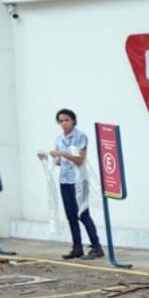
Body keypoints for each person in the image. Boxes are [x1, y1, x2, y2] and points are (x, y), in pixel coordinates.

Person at [39, 108, 103, 261]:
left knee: (83, 214)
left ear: (73, 121)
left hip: (79, 180)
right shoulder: (59, 138)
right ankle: (77, 247)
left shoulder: (80, 137)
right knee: (71, 215)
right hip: (65, 180)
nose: (64, 124)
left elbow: (79, 159)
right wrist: (46, 159)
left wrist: (62, 153)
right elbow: (62, 162)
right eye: (61, 121)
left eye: (66, 120)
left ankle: (96, 247)